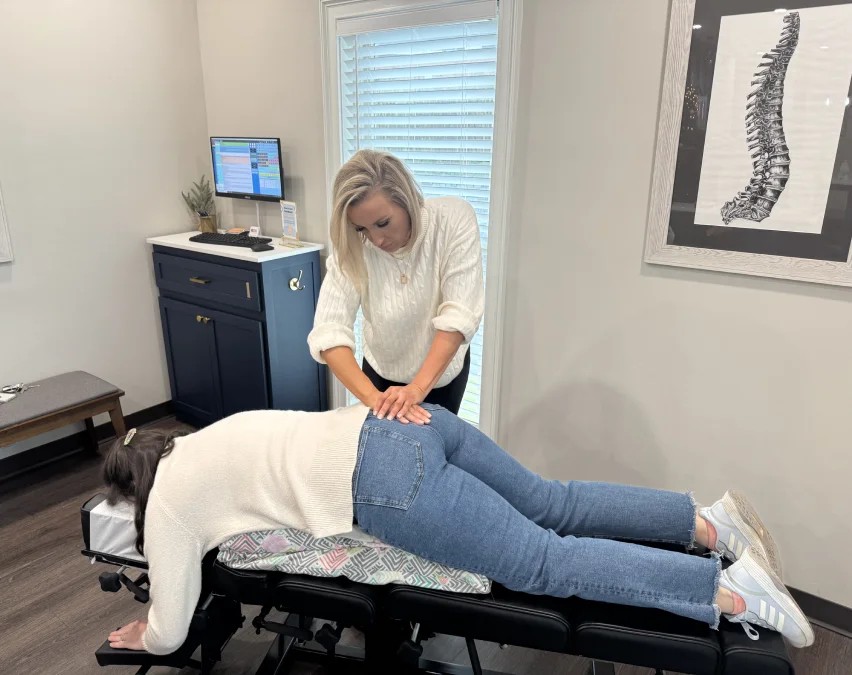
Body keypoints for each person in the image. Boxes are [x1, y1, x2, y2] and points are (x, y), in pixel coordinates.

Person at [104, 404, 814, 655]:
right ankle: (706, 522)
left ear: (132, 490)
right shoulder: (204, 436)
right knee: (553, 501)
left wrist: (142, 630)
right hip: (408, 423)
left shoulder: (168, 500)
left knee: (542, 562)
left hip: (386, 486)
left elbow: (168, 628)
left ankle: (729, 592)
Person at [307, 150, 484, 422]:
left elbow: (459, 315)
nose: (376, 240)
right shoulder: (355, 245)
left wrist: (417, 389)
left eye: (383, 223)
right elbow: (328, 331)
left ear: (407, 200)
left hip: (441, 374)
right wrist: (377, 401)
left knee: (436, 453)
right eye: (361, 229)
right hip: (380, 374)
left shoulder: (453, 220)